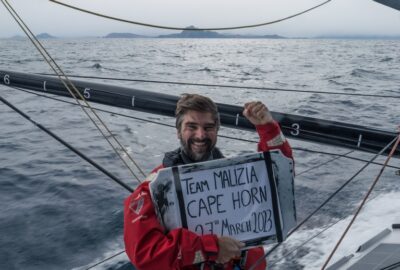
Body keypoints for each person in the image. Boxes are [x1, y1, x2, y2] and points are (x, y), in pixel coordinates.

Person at [124, 94, 293, 270]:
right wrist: (208, 248)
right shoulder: (154, 188)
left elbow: (281, 180)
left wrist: (267, 127)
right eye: (192, 126)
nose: (200, 135)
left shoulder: (236, 176)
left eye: (208, 127)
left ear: (216, 131)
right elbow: (144, 254)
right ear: (178, 131)